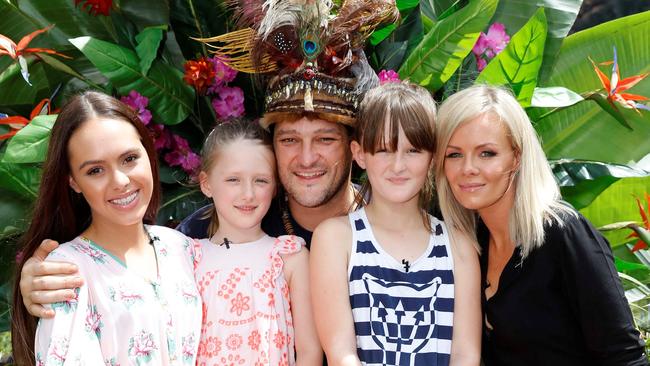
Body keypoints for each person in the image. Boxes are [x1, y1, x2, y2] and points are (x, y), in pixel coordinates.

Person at [17, 0, 400, 318]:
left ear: (355, 145)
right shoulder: (219, 224)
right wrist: (39, 278)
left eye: (325, 138)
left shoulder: (396, 221)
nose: (305, 157)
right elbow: (131, 270)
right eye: (288, 139)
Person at [434, 85, 647, 365]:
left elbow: (625, 357)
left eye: (487, 153)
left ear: (517, 156)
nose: (468, 168)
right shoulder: (470, 242)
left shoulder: (564, 233)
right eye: (454, 154)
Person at [10, 91, 202, 365]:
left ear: (148, 154)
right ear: (73, 181)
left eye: (129, 159)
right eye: (95, 171)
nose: (120, 180)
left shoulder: (182, 247)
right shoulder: (67, 272)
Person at [311, 82, 481, 365]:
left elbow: (466, 355)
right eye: (384, 150)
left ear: (433, 157)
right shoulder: (336, 238)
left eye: (413, 150)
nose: (398, 166)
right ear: (359, 154)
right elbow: (342, 353)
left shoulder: (457, 246)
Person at [193, 119, 321, 364]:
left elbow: (309, 351)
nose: (248, 194)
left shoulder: (289, 256)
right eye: (233, 180)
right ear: (207, 184)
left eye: (260, 180)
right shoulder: (190, 258)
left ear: (275, 187)